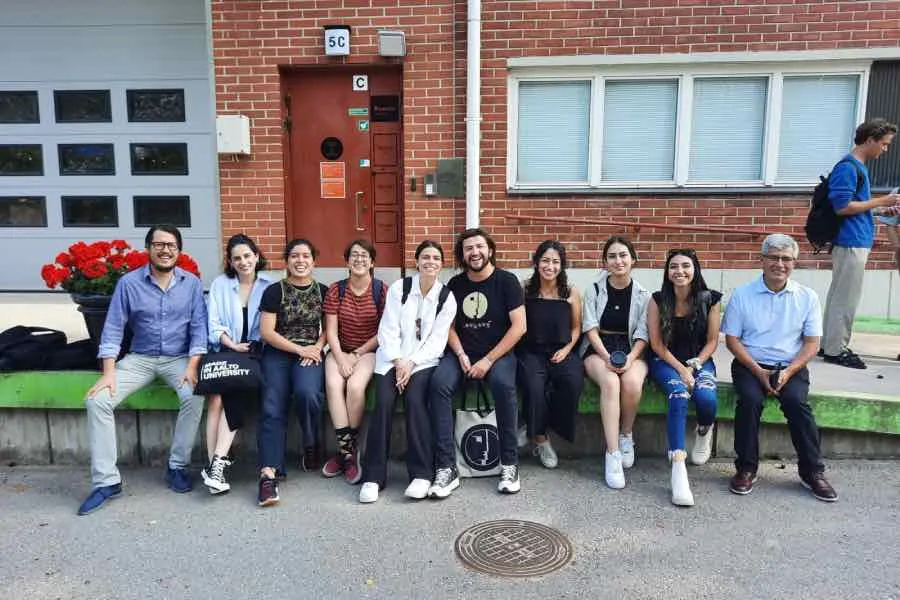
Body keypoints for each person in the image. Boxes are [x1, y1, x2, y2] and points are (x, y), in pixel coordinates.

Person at [78, 225, 207, 515]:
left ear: (179, 251)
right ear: (148, 248)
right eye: (159, 244)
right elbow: (112, 329)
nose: (165, 250)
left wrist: (192, 365)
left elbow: (200, 329)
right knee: (96, 400)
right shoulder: (128, 283)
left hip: (178, 359)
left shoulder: (192, 284)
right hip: (139, 359)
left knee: (195, 396)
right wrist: (109, 373)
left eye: (171, 245)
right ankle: (106, 482)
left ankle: (177, 466)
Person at [722, 234, 837, 503]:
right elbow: (732, 340)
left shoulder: (807, 297)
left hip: (791, 365)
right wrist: (759, 372)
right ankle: (746, 468)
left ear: (794, 263)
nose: (780, 264)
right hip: (750, 364)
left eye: (786, 259)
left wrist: (788, 371)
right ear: (761, 260)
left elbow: (811, 344)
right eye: (773, 257)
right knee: (749, 401)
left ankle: (812, 473)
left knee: (797, 404)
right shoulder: (742, 295)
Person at [427, 228, 526, 497]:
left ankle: (509, 463)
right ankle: (446, 468)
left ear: (490, 250)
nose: (475, 252)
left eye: (479, 246)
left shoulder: (507, 281)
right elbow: (447, 326)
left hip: (498, 355)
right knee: (439, 385)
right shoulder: (456, 286)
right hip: (462, 353)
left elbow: (519, 327)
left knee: (504, 386)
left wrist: (488, 360)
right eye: (468, 248)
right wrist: (460, 354)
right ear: (463, 254)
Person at [358, 240, 457, 503]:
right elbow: (387, 329)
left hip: (423, 362)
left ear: (441, 264)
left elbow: (438, 341)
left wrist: (411, 362)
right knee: (384, 403)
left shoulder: (446, 298)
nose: (430, 262)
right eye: (426, 257)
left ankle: (422, 474)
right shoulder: (400, 289)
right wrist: (399, 360)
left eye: (436, 258)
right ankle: (373, 477)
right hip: (391, 359)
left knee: (415, 400)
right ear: (417, 261)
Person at [821, 118, 900, 369]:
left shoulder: (857, 167)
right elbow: (842, 207)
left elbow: (856, 207)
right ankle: (836, 349)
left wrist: (878, 212)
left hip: (854, 239)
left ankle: (829, 344)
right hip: (850, 241)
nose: (885, 150)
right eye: (884, 144)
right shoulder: (849, 167)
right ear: (870, 140)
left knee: (839, 296)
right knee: (846, 298)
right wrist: (880, 202)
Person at [647, 249, 722, 506]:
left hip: (699, 360)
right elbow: (656, 345)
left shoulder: (710, 299)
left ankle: (704, 429)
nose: (679, 271)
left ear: (695, 269)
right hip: (666, 361)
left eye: (685, 266)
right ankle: (678, 466)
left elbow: (712, 341)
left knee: (706, 398)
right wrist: (681, 369)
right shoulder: (658, 300)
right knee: (678, 395)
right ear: (667, 272)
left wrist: (695, 364)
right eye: (673, 266)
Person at [256, 239, 328, 507]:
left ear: (314, 261)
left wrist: (317, 348)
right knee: (273, 404)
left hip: (311, 353)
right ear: (286, 261)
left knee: (308, 393)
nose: (300, 260)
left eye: (306, 256)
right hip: (279, 352)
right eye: (294, 256)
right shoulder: (275, 291)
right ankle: (268, 473)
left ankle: (310, 443)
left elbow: (330, 329)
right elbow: (267, 332)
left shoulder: (323, 291)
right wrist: (300, 351)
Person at [201, 234, 275, 494]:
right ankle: (215, 466)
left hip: (256, 353)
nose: (243, 262)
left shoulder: (270, 284)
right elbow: (213, 323)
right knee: (216, 399)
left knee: (232, 394)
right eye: (237, 258)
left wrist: (248, 347)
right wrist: (232, 345)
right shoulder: (221, 284)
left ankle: (215, 467)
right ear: (230, 263)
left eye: (247, 256)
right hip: (226, 349)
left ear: (256, 256)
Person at [581, 236, 650, 490]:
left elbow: (644, 333)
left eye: (623, 255)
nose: (618, 261)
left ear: (633, 260)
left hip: (632, 349)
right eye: (612, 256)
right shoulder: (595, 290)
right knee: (611, 382)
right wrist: (606, 356)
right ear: (605, 262)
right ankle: (612, 455)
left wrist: (631, 358)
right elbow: (590, 328)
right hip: (599, 348)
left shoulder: (643, 295)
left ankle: (626, 435)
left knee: (631, 382)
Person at [322, 240, 387, 484]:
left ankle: (346, 451)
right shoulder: (336, 290)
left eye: (364, 256)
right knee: (333, 383)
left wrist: (356, 355)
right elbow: (331, 331)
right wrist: (340, 357)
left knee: (356, 387)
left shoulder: (381, 290)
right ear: (347, 261)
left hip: (369, 351)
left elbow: (384, 332)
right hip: (340, 349)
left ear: (372, 262)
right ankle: (348, 454)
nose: (359, 259)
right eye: (354, 256)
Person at [516, 240, 584, 469]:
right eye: (545, 260)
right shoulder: (525, 289)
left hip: (561, 350)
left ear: (562, 265)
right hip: (530, 351)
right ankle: (541, 439)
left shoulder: (570, 292)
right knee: (534, 386)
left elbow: (576, 328)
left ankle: (535, 423)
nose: (550, 266)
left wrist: (566, 350)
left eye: (555, 262)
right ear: (536, 262)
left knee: (572, 382)